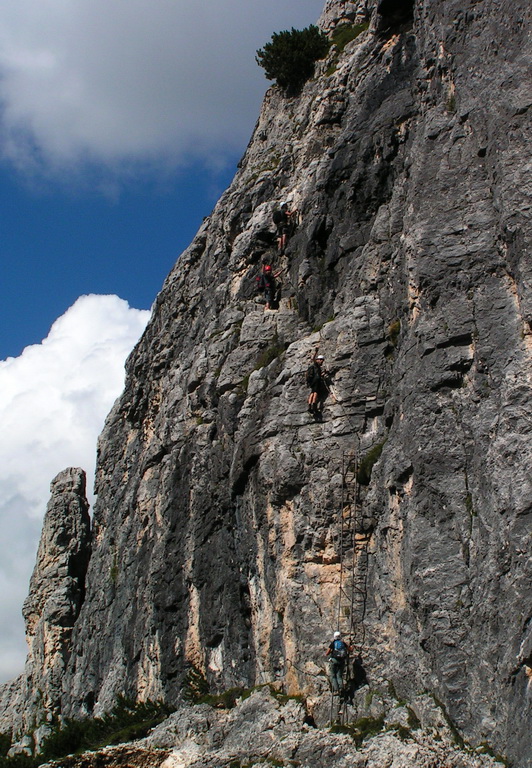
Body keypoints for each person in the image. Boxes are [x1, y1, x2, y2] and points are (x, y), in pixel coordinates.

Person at [326, 630, 350, 694]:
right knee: (339, 676)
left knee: (333, 676)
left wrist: (331, 651)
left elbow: (327, 653)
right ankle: (341, 687)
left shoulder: (333, 643)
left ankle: (336, 690)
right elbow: (350, 649)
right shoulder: (343, 643)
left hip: (334, 661)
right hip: (341, 661)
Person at [306, 351, 328, 416]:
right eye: (321, 360)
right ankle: (314, 406)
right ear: (319, 360)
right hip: (316, 380)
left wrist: (324, 373)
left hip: (312, 381)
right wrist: (316, 351)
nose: (322, 362)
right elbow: (313, 358)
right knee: (316, 392)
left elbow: (319, 374)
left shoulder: (316, 367)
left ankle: (310, 406)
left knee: (312, 392)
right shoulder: (316, 365)